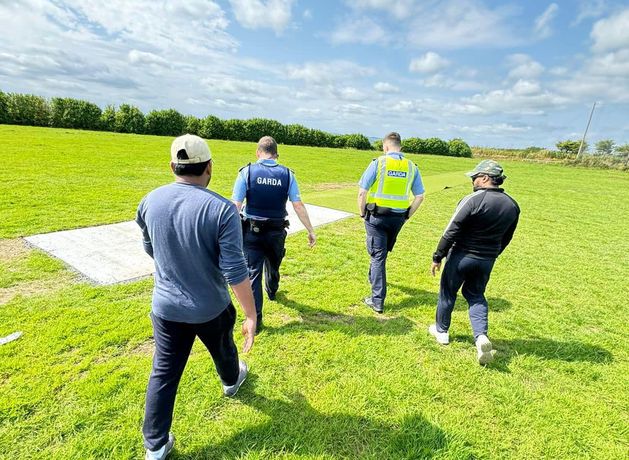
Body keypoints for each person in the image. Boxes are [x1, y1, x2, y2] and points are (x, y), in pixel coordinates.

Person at [136, 134, 257, 460]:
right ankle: (232, 381)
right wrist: (251, 314)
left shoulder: (150, 200)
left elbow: (151, 249)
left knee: (163, 372)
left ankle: (156, 445)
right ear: (209, 168)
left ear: (173, 166)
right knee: (223, 348)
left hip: (165, 308)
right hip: (210, 307)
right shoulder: (221, 209)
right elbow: (234, 269)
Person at [428, 159, 520, 365]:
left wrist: (438, 256)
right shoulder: (512, 205)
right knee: (476, 295)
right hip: (487, 260)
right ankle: (481, 337)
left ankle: (442, 331)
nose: (473, 181)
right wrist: (493, 254)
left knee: (448, 292)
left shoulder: (472, 200)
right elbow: (507, 236)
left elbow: (451, 230)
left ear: (486, 177)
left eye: (475, 177)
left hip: (461, 256)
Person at [232, 136, 316, 332]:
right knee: (274, 262)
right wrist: (310, 230)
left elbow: (235, 206)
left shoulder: (247, 172)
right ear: (276, 155)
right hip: (277, 232)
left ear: (257, 152)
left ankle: (256, 320)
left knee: (253, 274)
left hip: (252, 232)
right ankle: (272, 289)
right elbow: (298, 205)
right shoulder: (288, 175)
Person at [357, 132, 425, 313]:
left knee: (378, 256)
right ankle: (374, 278)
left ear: (385, 147)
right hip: (398, 219)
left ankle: (377, 301)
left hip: (377, 217)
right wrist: (408, 215)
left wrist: (362, 212)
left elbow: (362, 192)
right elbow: (420, 196)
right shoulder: (411, 167)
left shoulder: (378, 163)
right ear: (400, 147)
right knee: (380, 252)